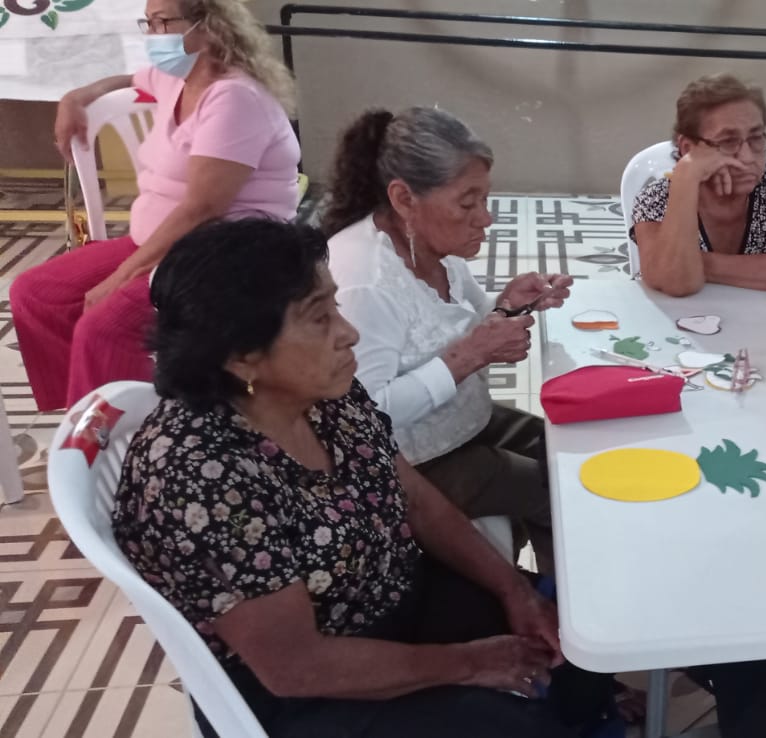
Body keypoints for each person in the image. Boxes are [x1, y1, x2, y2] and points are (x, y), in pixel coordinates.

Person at [114, 219, 617, 737]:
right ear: (241, 356)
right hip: (305, 694)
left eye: (335, 306)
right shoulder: (199, 476)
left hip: (390, 601)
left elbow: (415, 498)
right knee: (515, 726)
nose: (348, 332)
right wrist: (468, 663)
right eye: (319, 317)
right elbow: (295, 668)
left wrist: (513, 590)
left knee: (574, 639)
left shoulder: (321, 394)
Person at [11, 0, 300, 411]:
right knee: (37, 294)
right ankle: (82, 414)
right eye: (148, 23)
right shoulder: (177, 79)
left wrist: (120, 277)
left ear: (209, 26)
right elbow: (130, 78)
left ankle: (135, 434)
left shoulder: (235, 98)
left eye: (163, 22)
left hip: (224, 255)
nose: (153, 35)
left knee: (105, 326)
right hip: (162, 242)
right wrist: (77, 96)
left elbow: (203, 209)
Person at [320, 107, 571, 573]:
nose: (486, 219)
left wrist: (507, 307)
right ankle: (552, 603)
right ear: (404, 198)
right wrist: (468, 356)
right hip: (405, 466)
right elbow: (363, 415)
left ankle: (553, 587)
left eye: (485, 199)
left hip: (459, 423)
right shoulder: (364, 283)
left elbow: (464, 326)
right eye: (467, 203)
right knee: (558, 492)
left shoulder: (432, 246)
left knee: (564, 452)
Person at [630, 74, 766, 296]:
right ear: (688, 148)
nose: (747, 157)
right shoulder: (656, 199)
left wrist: (697, 263)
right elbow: (677, 283)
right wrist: (686, 177)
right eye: (728, 141)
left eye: (756, 137)